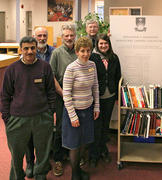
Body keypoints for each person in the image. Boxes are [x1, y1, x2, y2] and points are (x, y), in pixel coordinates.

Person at [0, 36, 56, 180]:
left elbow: (51, 91)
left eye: (32, 48)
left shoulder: (45, 67)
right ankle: (17, 176)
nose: (30, 51)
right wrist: (7, 118)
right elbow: (5, 96)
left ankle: (40, 175)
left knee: (43, 152)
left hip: (42, 117)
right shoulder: (12, 69)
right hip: (17, 119)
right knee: (17, 154)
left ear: (36, 48)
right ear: (21, 50)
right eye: (26, 48)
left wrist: (50, 112)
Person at [62, 36, 100, 180]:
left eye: (88, 50)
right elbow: (66, 94)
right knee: (74, 144)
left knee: (84, 141)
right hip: (74, 112)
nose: (85, 54)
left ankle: (78, 169)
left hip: (88, 109)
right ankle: (75, 174)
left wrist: (96, 107)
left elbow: (95, 86)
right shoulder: (71, 68)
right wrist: (72, 116)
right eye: (82, 51)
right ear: (77, 52)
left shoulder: (92, 65)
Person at [24, 26, 56, 178]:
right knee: (29, 136)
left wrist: (51, 107)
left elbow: (51, 83)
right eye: (39, 36)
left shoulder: (53, 52)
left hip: (45, 103)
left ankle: (41, 166)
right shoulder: (26, 55)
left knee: (43, 137)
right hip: (29, 103)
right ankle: (30, 162)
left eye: (44, 35)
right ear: (34, 36)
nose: (42, 38)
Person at [89, 34, 121, 167]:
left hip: (110, 96)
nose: (103, 46)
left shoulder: (114, 58)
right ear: (97, 45)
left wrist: (118, 97)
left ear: (109, 44)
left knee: (105, 125)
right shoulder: (92, 58)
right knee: (96, 126)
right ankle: (94, 154)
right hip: (95, 98)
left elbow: (118, 76)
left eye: (105, 43)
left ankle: (103, 150)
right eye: (101, 44)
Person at [50, 24, 77, 177]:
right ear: (62, 37)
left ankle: (73, 155)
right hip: (61, 96)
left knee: (75, 126)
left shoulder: (79, 51)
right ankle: (59, 159)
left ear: (75, 35)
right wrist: (63, 94)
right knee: (60, 127)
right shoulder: (56, 53)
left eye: (71, 35)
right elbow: (52, 76)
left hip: (78, 97)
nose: (69, 38)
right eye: (66, 35)